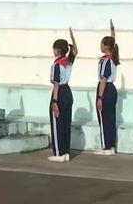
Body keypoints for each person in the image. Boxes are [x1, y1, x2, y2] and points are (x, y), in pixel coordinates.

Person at [48, 27, 78, 163]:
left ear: (57, 50)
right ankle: (66, 152)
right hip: (68, 92)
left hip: (59, 93)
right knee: (66, 123)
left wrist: (54, 101)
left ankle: (59, 152)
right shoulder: (68, 61)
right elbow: (75, 51)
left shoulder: (56, 65)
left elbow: (56, 84)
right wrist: (73, 39)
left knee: (57, 122)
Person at [95, 19, 120, 156]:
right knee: (110, 118)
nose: (100, 46)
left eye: (102, 44)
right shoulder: (113, 56)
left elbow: (103, 80)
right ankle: (110, 146)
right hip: (112, 89)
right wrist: (112, 31)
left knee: (104, 117)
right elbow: (113, 43)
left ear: (105, 46)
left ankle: (106, 147)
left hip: (105, 89)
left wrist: (99, 97)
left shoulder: (106, 60)